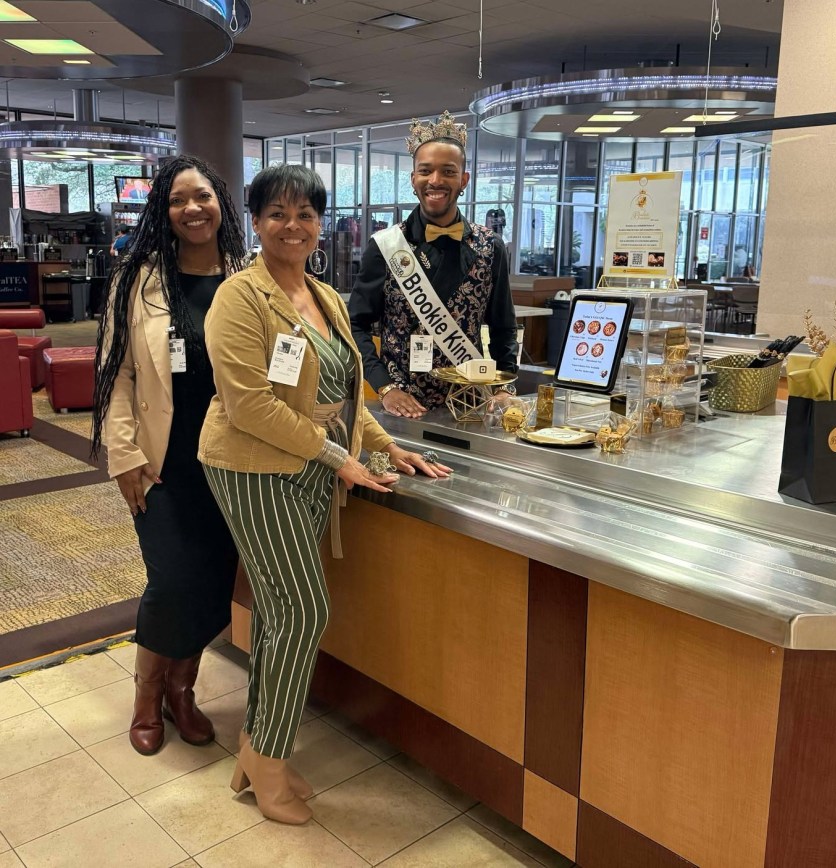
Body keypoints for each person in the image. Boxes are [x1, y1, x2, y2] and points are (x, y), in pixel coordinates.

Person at [199, 164, 451, 825]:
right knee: (302, 614)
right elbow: (248, 405)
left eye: (306, 213)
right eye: (278, 212)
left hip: (311, 464)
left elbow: (340, 393)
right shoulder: (240, 297)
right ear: (254, 222)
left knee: (286, 616)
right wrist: (339, 457)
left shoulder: (325, 296)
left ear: (321, 225)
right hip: (255, 466)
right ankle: (270, 763)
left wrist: (383, 445)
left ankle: (256, 755)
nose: (293, 225)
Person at [91, 155, 248, 756]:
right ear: (165, 209)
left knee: (210, 583)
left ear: (220, 203)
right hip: (162, 464)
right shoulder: (139, 279)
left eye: (202, 197)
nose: (192, 209)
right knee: (171, 580)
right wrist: (124, 456)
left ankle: (184, 692)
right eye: (179, 199)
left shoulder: (245, 276)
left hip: (230, 466)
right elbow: (120, 374)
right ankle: (146, 697)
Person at [349, 110, 518, 419]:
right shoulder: (384, 246)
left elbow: (503, 326)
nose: (435, 181)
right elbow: (354, 325)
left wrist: (506, 385)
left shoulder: (491, 247)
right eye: (425, 171)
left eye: (448, 172)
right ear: (413, 178)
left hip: (470, 404)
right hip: (399, 406)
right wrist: (384, 387)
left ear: (464, 179)